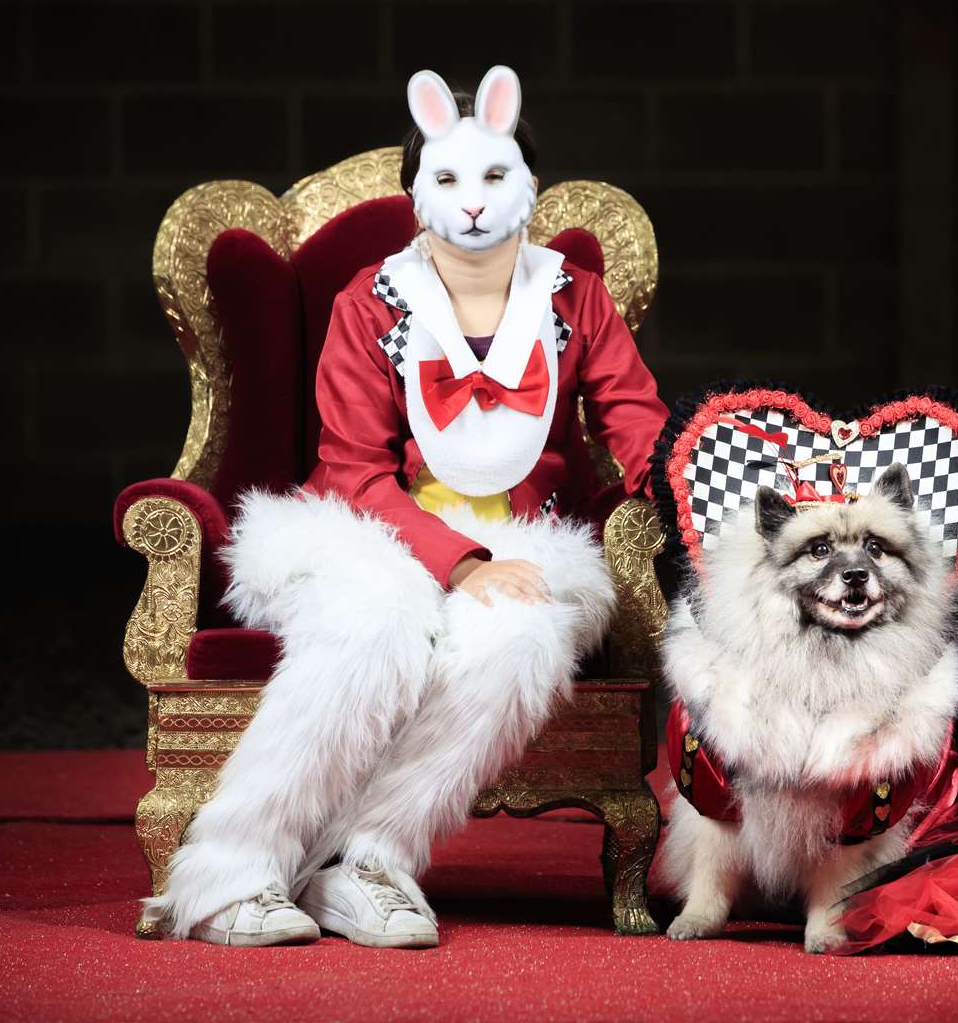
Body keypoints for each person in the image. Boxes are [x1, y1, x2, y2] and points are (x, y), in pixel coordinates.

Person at [145, 64, 669, 948]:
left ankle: (365, 865)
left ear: (528, 187)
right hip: (370, 527)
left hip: (520, 534)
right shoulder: (370, 302)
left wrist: (738, 477)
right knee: (377, 620)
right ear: (418, 194)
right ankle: (227, 875)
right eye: (451, 180)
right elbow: (352, 468)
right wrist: (461, 565)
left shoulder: (576, 301)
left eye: (495, 176)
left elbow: (644, 427)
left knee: (525, 634)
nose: (473, 203)